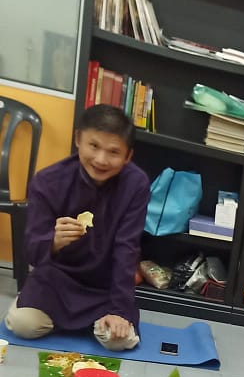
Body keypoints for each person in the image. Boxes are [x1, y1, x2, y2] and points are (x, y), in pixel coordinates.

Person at [5, 103, 150, 351]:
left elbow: (127, 249)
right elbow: (31, 252)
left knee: (119, 341)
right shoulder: (48, 181)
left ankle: (96, 321)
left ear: (128, 156)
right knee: (23, 324)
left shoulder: (136, 184)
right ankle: (53, 313)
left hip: (103, 288)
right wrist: (53, 241)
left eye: (114, 152)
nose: (101, 159)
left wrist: (119, 310)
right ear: (78, 140)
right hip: (56, 282)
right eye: (93, 146)